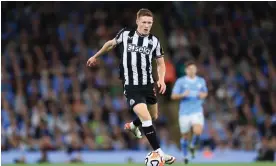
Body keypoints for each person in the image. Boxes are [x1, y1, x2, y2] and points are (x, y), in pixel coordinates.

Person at [87, 8, 175, 164]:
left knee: (153, 116)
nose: (147, 25)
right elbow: (110, 44)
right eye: (144, 22)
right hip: (132, 86)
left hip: (148, 85)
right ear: (137, 21)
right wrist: (96, 56)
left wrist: (161, 79)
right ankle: (160, 153)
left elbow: (160, 63)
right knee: (147, 118)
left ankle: (134, 125)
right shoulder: (126, 34)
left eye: (149, 22)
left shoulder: (154, 41)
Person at [171, 60, 208, 164]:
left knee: (198, 131)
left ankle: (192, 146)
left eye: (193, 68)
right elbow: (173, 96)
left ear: (196, 69)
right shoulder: (181, 81)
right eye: (189, 69)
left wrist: (202, 95)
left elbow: (205, 93)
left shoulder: (201, 81)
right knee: (185, 136)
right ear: (186, 70)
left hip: (197, 111)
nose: (192, 70)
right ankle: (185, 155)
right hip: (184, 112)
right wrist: (183, 95)